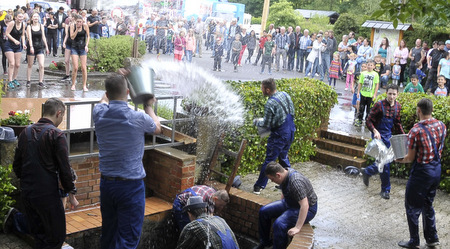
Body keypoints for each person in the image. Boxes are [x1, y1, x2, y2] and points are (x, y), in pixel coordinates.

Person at [94, 72, 161, 249]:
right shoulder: (138, 118)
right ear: (129, 93)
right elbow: (157, 128)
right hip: (130, 187)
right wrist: (148, 105)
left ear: (108, 94)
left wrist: (115, 76)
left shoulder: (99, 113)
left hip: (107, 185)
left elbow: (103, 101)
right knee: (128, 239)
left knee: (109, 234)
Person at [12, 98, 79, 248]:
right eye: (62, 117)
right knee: (55, 238)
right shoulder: (57, 135)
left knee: (38, 236)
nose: (61, 120)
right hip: (47, 196)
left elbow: (17, 165)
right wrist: (71, 193)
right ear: (59, 113)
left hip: (28, 194)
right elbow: (65, 170)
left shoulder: (25, 132)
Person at [396, 98, 446, 249]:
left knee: (412, 206)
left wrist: (398, 160)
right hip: (436, 170)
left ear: (419, 110)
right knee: (428, 204)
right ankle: (432, 239)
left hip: (421, 173)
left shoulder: (416, 130)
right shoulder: (441, 125)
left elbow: (410, 158)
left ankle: (414, 241)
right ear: (431, 110)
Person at [254, 162, 318, 249]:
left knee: (279, 224)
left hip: (308, 209)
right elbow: (285, 190)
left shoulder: (295, 182)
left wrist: (297, 227)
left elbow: (305, 205)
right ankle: (265, 243)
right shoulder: (285, 173)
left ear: (278, 175)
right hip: (290, 203)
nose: (273, 182)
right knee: (263, 211)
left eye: (272, 179)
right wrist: (280, 208)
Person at [253, 78, 296, 194]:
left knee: (269, 161)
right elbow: (292, 112)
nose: (262, 91)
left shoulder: (270, 103)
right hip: (291, 131)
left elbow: (266, 124)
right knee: (283, 158)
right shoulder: (285, 94)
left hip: (279, 135)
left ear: (267, 89)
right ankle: (291, 182)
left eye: (262, 89)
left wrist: (257, 122)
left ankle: (259, 186)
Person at [362, 84, 405, 199]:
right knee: (385, 163)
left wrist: (403, 135)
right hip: (378, 137)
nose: (391, 96)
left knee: (385, 161)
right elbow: (369, 120)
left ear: (397, 94)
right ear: (386, 93)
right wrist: (375, 131)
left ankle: (368, 171)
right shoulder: (379, 105)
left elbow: (397, 123)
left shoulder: (398, 107)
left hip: (388, 137)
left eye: (394, 94)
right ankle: (385, 190)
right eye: (389, 93)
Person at [26, 12, 49, 88]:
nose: (36, 18)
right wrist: (31, 46)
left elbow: (43, 37)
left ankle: (40, 81)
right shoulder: (29, 27)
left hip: (40, 47)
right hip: (32, 46)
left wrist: (47, 47)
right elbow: (29, 38)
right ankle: (28, 80)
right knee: (30, 64)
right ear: (32, 18)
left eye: (37, 16)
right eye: (34, 16)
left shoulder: (41, 26)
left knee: (41, 65)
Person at [4, 11, 27, 89]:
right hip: (9, 45)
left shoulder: (23, 24)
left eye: (22, 17)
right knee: (12, 63)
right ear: (16, 17)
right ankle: (10, 81)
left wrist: (23, 43)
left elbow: (23, 35)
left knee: (18, 64)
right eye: (19, 17)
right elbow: (7, 33)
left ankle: (14, 79)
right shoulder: (12, 23)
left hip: (18, 46)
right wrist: (14, 40)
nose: (21, 18)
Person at [356, 60, 379, 126]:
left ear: (374, 66)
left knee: (369, 109)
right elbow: (360, 83)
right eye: (368, 65)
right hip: (363, 93)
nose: (369, 66)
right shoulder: (363, 73)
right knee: (361, 108)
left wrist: (375, 94)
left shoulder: (375, 74)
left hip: (370, 94)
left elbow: (376, 84)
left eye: (371, 65)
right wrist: (358, 92)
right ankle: (359, 120)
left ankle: (367, 121)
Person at [70, 14, 89, 92]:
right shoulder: (72, 26)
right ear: (75, 21)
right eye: (77, 22)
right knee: (75, 67)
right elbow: (72, 37)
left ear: (82, 22)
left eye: (80, 22)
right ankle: (73, 84)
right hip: (74, 47)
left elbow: (88, 36)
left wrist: (87, 45)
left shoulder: (85, 26)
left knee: (84, 68)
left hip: (82, 47)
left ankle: (84, 85)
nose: (79, 23)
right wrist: (77, 30)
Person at [61, 14, 74, 82]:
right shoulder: (67, 25)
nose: (69, 18)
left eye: (70, 16)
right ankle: (67, 74)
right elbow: (67, 34)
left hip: (74, 44)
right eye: (68, 17)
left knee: (73, 61)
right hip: (68, 43)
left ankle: (73, 75)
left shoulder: (76, 25)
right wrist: (64, 42)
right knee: (66, 60)